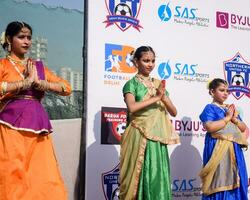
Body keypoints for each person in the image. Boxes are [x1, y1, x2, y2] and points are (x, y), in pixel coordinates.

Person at [0, 21, 71, 199]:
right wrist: (23, 83)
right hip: (9, 127)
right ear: (9, 39)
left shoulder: (38, 67)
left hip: (38, 125)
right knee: (11, 172)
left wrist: (41, 83)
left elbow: (66, 88)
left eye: (29, 38)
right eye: (21, 37)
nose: (26, 41)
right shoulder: (3, 65)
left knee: (42, 175)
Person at [119, 46, 179, 200]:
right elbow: (132, 107)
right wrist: (156, 98)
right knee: (139, 174)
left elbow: (173, 112)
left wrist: (163, 97)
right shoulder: (131, 84)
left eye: (152, 61)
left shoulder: (159, 84)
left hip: (158, 138)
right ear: (136, 62)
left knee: (157, 175)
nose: (150, 64)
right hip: (139, 136)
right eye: (146, 60)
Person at [199, 78, 248, 200]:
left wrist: (234, 119)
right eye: (222, 90)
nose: (225, 93)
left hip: (234, 150)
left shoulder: (230, 108)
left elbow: (243, 128)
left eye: (227, 91)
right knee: (220, 181)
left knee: (237, 179)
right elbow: (209, 127)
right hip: (218, 149)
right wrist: (227, 119)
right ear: (212, 92)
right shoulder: (210, 108)